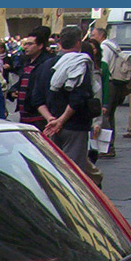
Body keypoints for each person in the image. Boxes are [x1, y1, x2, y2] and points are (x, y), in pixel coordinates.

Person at [35, 25, 97, 175]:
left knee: (55, 168)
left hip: (51, 123)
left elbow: (37, 98)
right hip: (74, 124)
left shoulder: (46, 66)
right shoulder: (80, 64)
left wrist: (50, 118)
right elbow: (78, 97)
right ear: (78, 43)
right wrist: (61, 120)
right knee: (74, 172)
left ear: (60, 43)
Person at [91, 25, 129, 157]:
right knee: (109, 116)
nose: (92, 38)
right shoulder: (114, 46)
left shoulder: (105, 47)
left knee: (105, 116)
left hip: (110, 83)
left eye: (93, 35)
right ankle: (108, 145)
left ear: (101, 36)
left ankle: (107, 146)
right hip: (115, 83)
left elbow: (104, 66)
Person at [14, 26, 54, 130]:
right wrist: (13, 90)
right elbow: (22, 82)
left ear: (40, 45)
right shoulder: (27, 61)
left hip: (38, 116)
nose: (26, 47)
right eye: (25, 44)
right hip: (24, 115)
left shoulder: (47, 62)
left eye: (30, 44)